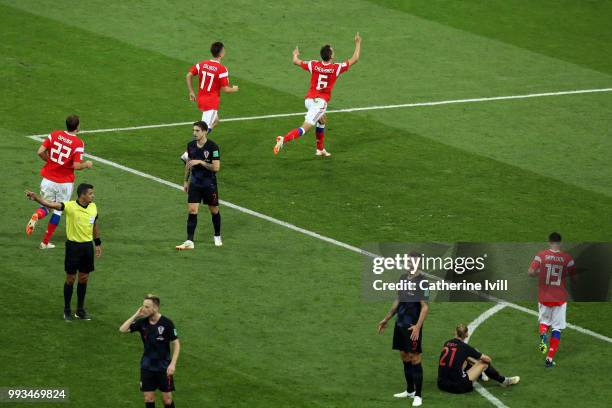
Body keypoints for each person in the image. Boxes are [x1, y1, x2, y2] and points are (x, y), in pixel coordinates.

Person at [274, 33, 361, 157]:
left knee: (322, 119)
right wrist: (358, 43)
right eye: (333, 51)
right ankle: (283, 139)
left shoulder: (314, 64)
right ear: (330, 56)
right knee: (304, 128)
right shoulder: (336, 68)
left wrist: (295, 54)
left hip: (309, 100)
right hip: (319, 103)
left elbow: (295, 61)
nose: (334, 52)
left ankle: (320, 149)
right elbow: (355, 59)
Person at [25, 183, 101, 320]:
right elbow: (51, 204)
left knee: (84, 278)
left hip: (87, 247)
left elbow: (95, 224)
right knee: (71, 279)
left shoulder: (93, 207)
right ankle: (67, 309)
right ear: (82, 195)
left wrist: (98, 243)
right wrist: (36, 198)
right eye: (90, 193)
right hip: (73, 247)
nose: (92, 195)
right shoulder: (70, 206)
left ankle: (80, 310)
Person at [25, 114, 93, 249]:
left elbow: (40, 152)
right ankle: (44, 243)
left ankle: (37, 215)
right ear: (77, 126)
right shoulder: (78, 143)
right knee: (57, 211)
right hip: (64, 183)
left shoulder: (54, 134)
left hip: (48, 180)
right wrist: (87, 164)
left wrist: (50, 161)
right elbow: (76, 165)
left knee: (46, 206)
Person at [377, 260, 428, 407]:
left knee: (415, 357)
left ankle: (418, 395)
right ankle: (410, 390)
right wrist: (387, 318)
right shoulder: (403, 278)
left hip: (412, 326)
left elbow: (424, 307)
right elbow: (398, 300)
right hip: (400, 324)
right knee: (404, 356)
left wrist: (418, 326)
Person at [119, 294, 180, 408]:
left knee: (167, 400)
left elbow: (176, 344)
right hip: (147, 366)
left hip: (164, 367)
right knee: (148, 398)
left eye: (147, 307)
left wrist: (173, 364)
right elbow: (122, 329)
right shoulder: (142, 323)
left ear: (155, 308)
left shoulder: (167, 323)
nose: (144, 309)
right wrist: (136, 315)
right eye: (143, 306)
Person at [182, 41, 238, 163]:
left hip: (202, 99)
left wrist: (191, 91)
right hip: (211, 103)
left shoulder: (202, 64)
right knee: (201, 130)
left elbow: (188, 75)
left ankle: (194, 150)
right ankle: (188, 154)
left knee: (215, 121)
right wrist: (234, 88)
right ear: (221, 53)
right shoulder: (222, 69)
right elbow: (226, 89)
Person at [528, 232, 575, 367]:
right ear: (560, 243)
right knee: (557, 328)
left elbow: (530, 272)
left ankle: (543, 335)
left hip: (544, 297)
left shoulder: (541, 255)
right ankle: (549, 359)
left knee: (544, 321)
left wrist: (540, 273)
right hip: (559, 298)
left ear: (549, 242)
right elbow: (575, 277)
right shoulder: (567, 258)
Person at [176, 121, 222, 250]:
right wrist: (186, 181)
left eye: (197, 131)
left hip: (209, 184)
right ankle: (189, 240)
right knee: (192, 210)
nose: (194, 133)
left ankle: (217, 235)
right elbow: (189, 163)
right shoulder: (190, 146)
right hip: (195, 183)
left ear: (205, 132)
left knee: (214, 210)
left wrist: (201, 162)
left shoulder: (213, 147)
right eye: (193, 131)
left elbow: (216, 168)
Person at [437, 324, 519, 394]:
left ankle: (480, 375)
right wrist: (477, 361)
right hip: (458, 387)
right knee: (484, 363)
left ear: (455, 332)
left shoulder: (447, 343)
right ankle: (504, 381)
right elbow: (488, 359)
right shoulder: (465, 348)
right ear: (466, 335)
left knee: (465, 359)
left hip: (441, 384)